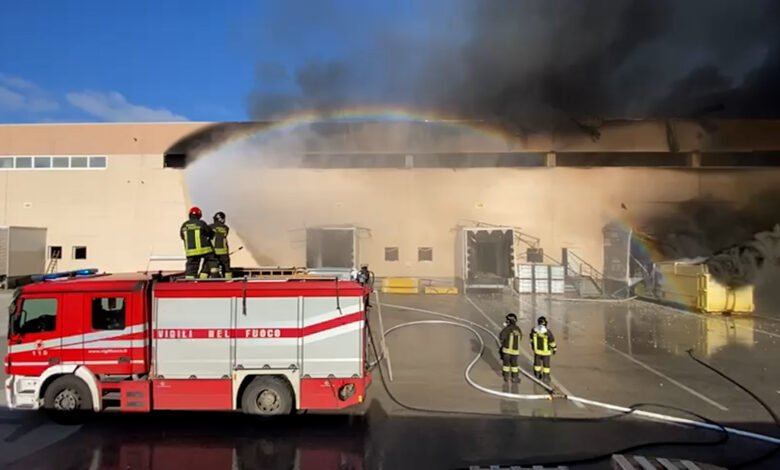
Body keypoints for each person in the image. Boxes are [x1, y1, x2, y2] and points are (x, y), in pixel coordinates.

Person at [180, 206, 218, 279]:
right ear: (199, 215)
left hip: (191, 252)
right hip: (204, 250)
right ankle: (215, 277)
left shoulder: (184, 225)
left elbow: (182, 237)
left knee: (191, 267)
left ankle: (189, 283)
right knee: (212, 259)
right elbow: (210, 232)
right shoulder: (201, 223)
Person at [530, 316, 557, 383]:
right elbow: (552, 341)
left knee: (537, 365)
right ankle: (546, 377)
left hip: (537, 352)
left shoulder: (534, 330)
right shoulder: (547, 332)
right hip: (546, 352)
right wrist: (554, 349)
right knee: (546, 366)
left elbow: (531, 340)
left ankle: (537, 375)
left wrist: (533, 347)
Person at [499, 313, 522, 383]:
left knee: (506, 365)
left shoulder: (507, 329)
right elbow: (520, 338)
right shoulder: (518, 329)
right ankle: (515, 378)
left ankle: (506, 377)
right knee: (514, 365)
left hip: (506, 351)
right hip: (515, 352)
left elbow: (501, 337)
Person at [210, 211, 232, 278]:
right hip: (224, 252)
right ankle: (228, 282)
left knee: (211, 268)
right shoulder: (226, 228)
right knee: (226, 269)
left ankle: (213, 280)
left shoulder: (210, 227)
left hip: (213, 252)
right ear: (222, 219)